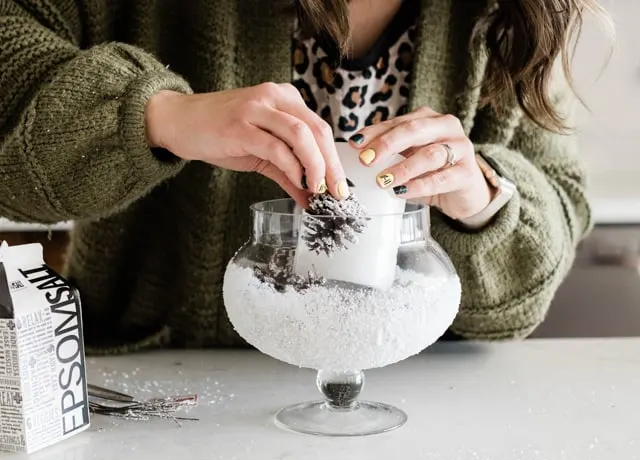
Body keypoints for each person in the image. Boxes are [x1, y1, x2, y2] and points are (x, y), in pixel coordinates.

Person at [0, 0, 608, 353]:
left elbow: (558, 209)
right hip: (162, 398)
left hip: (413, 417)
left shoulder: (503, 17)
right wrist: (158, 116)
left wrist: (482, 201)